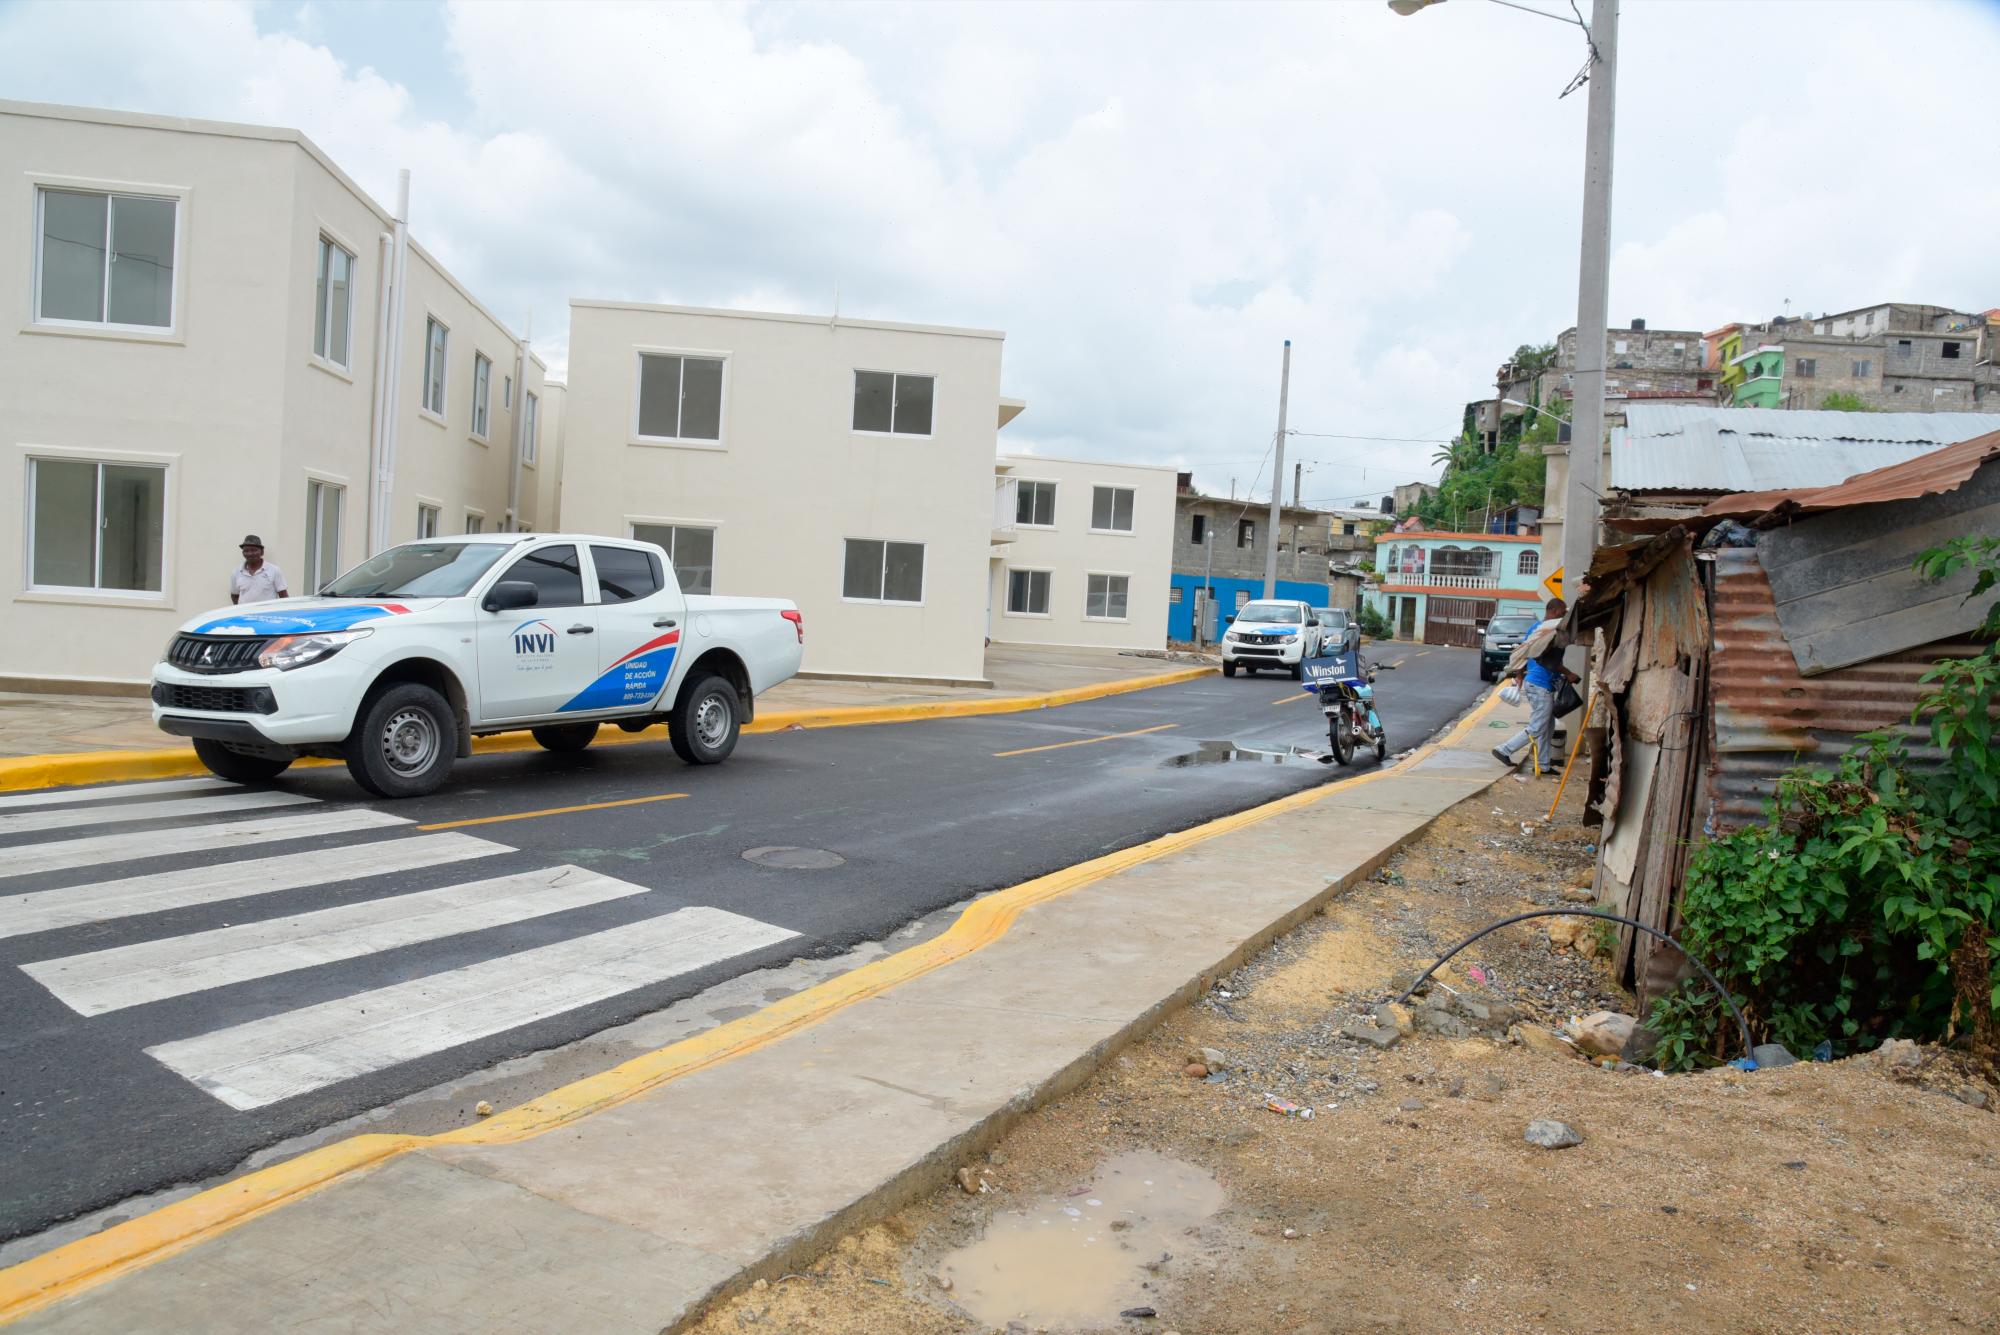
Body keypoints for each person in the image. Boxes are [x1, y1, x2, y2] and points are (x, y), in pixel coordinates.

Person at [1492, 597, 1576, 776]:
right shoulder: (1550, 632)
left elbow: (1525, 653)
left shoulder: (1539, 629)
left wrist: (1520, 674)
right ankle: (1504, 749)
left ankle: (1544, 765)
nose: (1564, 615)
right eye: (1562, 612)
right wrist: (1568, 673)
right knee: (1538, 726)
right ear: (1553, 611)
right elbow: (1550, 661)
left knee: (1548, 726)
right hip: (1540, 685)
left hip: (1538, 683)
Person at [229, 535, 288, 605]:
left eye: (254, 550)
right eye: (246, 550)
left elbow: (283, 596)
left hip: (267, 614)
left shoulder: (274, 570)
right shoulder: (236, 572)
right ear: (243, 553)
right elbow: (235, 596)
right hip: (245, 614)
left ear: (262, 552)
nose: (250, 554)